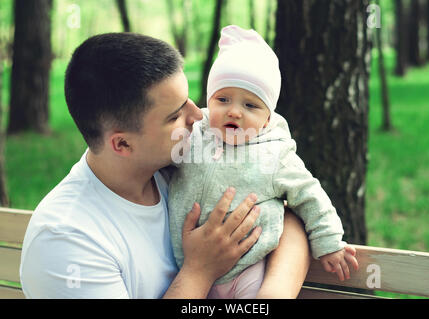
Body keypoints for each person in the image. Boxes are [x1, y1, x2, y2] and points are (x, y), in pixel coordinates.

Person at [19, 32, 311, 298]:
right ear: (122, 144)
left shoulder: (179, 165)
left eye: (189, 100)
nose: (198, 116)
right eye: (174, 116)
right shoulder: (66, 241)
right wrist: (199, 271)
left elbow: (287, 217)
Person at [168, 25, 359, 299]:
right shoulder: (194, 134)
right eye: (223, 99)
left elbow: (309, 194)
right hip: (188, 270)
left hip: (248, 268)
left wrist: (328, 242)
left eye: (250, 105)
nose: (234, 111)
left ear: (268, 118)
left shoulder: (275, 154)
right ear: (209, 100)